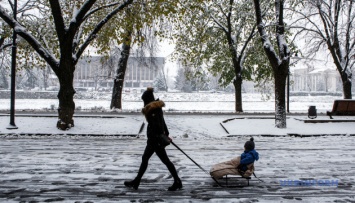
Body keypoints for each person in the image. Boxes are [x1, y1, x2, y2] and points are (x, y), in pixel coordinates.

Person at [124, 87, 182, 191]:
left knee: (164, 161)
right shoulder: (156, 108)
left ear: (147, 99)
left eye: (144, 100)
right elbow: (162, 123)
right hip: (154, 140)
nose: (143, 103)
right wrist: (166, 134)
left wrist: (159, 136)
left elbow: (158, 125)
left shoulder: (153, 109)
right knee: (146, 159)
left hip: (155, 141)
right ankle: (136, 181)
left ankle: (177, 181)